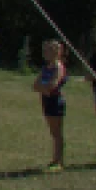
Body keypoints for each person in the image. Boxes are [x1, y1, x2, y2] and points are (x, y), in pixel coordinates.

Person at [34, 40, 69, 172]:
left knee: (57, 132)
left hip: (56, 101)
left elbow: (53, 85)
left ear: (56, 52)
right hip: (46, 100)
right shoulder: (46, 67)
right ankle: (55, 159)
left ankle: (59, 160)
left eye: (48, 51)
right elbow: (35, 85)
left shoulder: (59, 67)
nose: (45, 53)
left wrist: (43, 87)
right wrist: (44, 88)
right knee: (53, 132)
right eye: (44, 51)